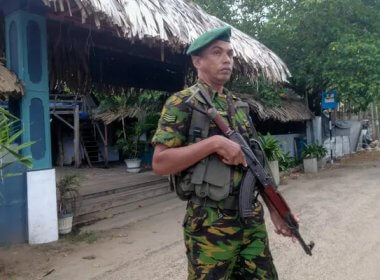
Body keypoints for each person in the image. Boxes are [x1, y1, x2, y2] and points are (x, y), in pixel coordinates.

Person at [152, 26, 293, 280]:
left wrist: (275, 211)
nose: (227, 59)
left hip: (251, 221)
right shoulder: (182, 103)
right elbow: (160, 163)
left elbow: (255, 166)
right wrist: (213, 144)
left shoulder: (239, 106)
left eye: (230, 53)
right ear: (197, 61)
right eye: (217, 53)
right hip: (209, 226)